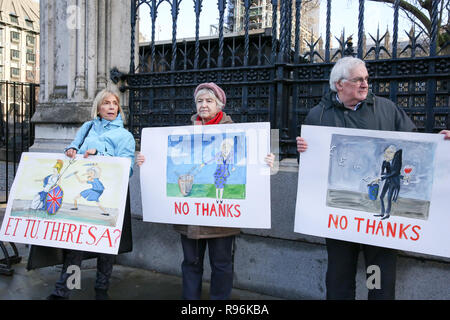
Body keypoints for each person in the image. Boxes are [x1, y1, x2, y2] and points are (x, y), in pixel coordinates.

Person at [136, 82, 274, 300]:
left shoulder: (237, 133)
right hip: (190, 218)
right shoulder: (184, 132)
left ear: (219, 105)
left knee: (221, 264)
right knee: (191, 263)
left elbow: (257, 166)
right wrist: (147, 160)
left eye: (209, 101)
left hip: (221, 221)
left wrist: (268, 162)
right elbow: (168, 160)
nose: (203, 105)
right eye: (200, 101)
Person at [296, 57, 417, 300]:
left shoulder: (386, 109)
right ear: (339, 84)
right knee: (340, 277)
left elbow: (414, 145)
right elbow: (311, 169)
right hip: (339, 217)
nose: (365, 84)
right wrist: (305, 153)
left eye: (366, 79)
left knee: (377, 277)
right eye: (358, 79)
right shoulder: (318, 115)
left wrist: (442, 142)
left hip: (379, 223)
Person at [46, 87, 135, 300]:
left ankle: (101, 289)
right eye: (106, 103)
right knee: (75, 245)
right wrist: (71, 151)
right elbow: (73, 148)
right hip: (81, 189)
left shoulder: (125, 136)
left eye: (114, 103)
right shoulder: (87, 127)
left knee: (105, 245)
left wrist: (100, 155)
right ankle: (63, 291)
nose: (111, 107)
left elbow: (128, 168)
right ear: (98, 107)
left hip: (109, 194)